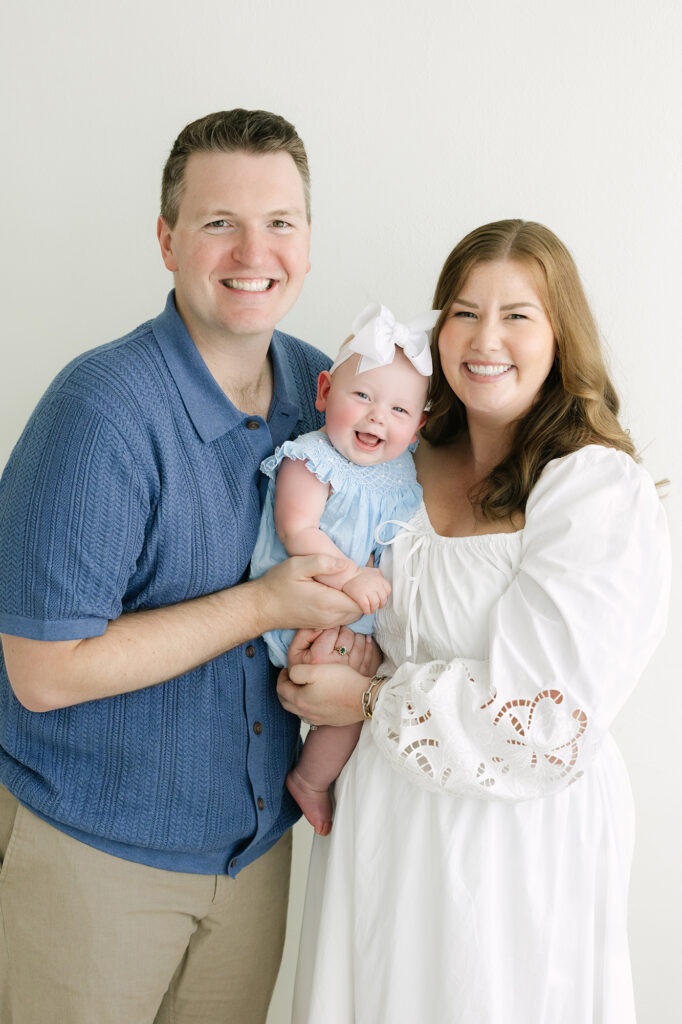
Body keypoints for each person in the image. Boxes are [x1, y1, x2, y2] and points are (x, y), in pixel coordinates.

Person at [0, 109, 367, 1024]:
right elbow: (42, 673)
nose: (254, 250)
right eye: (218, 223)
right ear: (167, 241)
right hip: (94, 861)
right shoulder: (101, 412)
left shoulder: (327, 396)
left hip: (252, 861)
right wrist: (260, 606)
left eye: (280, 222)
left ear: (309, 242)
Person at [277, 219, 671, 1024]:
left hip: (516, 846)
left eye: (517, 315)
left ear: (561, 336)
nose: (485, 338)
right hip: (383, 824)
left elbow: (547, 720)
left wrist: (364, 703)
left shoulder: (592, 487)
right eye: (463, 311)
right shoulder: (393, 460)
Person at [250, 303, 436, 834]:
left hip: (353, 620)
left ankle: (314, 776)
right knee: (354, 700)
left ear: (419, 426)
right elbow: (297, 531)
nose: (379, 416)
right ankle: (309, 780)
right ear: (324, 392)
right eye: (363, 396)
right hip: (302, 607)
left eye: (401, 411)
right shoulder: (312, 460)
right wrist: (352, 578)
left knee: (364, 698)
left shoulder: (403, 475)